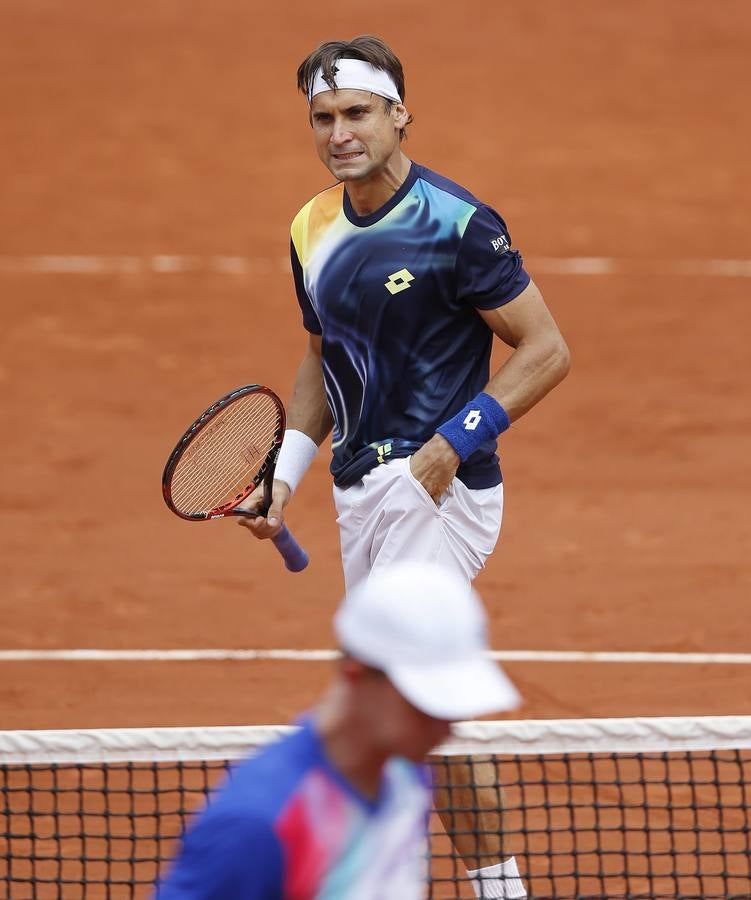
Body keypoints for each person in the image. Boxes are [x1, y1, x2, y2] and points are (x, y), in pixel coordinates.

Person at [239, 34, 570, 898]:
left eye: (356, 113)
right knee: (390, 702)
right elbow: (321, 360)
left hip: (440, 489)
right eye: (323, 117)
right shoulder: (310, 227)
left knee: (398, 691)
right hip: (362, 491)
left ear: (398, 115)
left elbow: (545, 349)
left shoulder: (459, 225)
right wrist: (286, 473)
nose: (339, 132)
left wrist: (451, 441)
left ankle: (488, 889)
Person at [156, 562, 520, 899]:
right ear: (356, 674)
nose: (445, 729)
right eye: (424, 702)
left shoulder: (406, 777)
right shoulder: (256, 826)